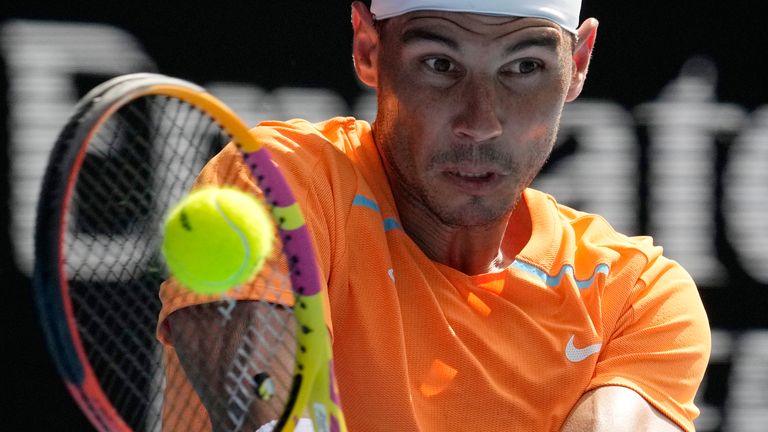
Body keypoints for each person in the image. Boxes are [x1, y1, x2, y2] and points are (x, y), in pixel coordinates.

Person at [157, 0, 711, 430]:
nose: (481, 121)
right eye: (440, 64)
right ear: (369, 48)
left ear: (579, 63)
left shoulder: (636, 296)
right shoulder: (280, 183)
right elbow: (269, 415)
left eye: (524, 66)